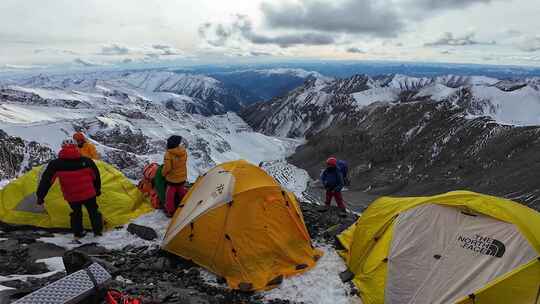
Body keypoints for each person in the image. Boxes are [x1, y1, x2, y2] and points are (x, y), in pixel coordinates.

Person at [37, 139, 103, 239]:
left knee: (76, 213)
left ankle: (78, 234)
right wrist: (97, 190)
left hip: (72, 196)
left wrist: (40, 196)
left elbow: (46, 181)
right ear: (76, 147)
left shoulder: (55, 164)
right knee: (93, 211)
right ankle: (97, 232)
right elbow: (96, 176)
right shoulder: (87, 161)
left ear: (62, 148)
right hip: (89, 194)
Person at [162, 135, 188, 217]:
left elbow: (167, 168)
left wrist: (163, 174)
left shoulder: (168, 154)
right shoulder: (183, 151)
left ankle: (170, 211)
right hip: (182, 177)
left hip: (172, 179)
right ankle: (186, 205)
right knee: (181, 191)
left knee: (169, 195)